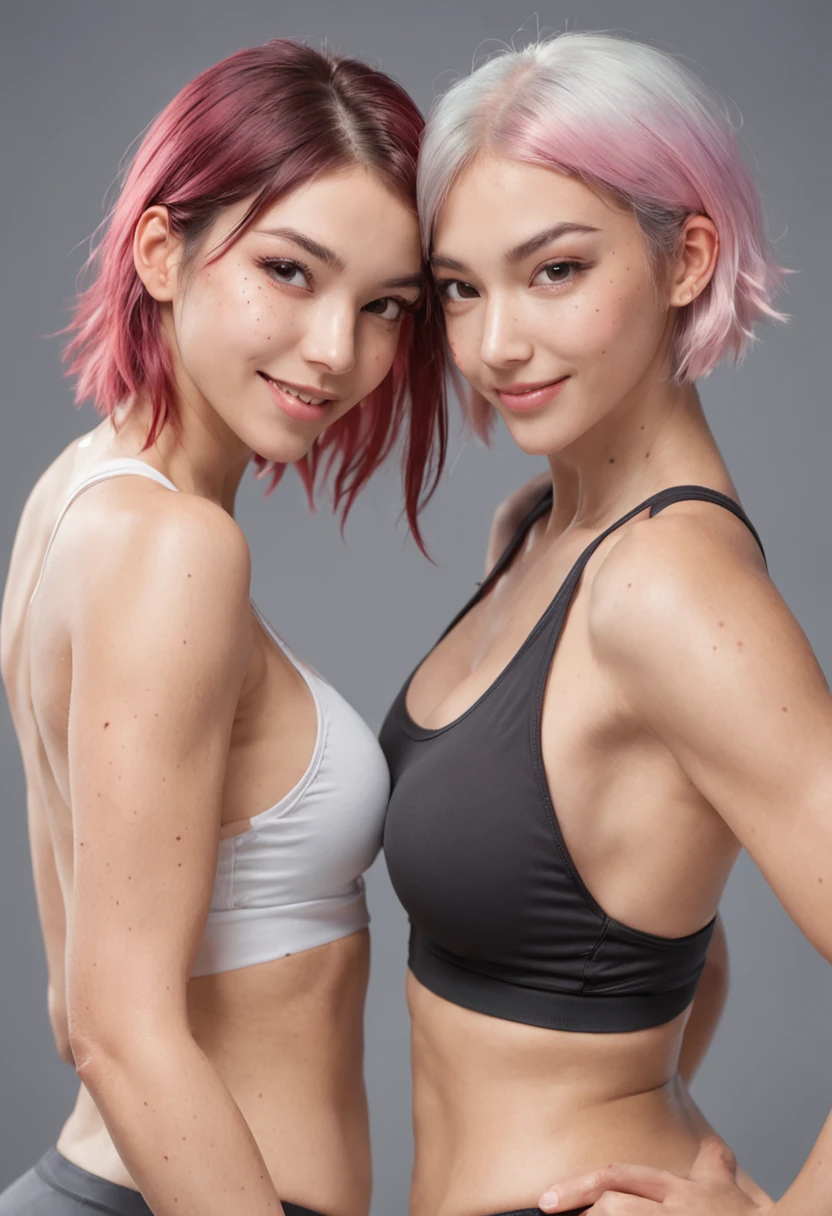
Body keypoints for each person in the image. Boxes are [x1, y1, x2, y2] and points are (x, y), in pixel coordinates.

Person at [380, 32, 830, 1216]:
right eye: (460, 289)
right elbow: (665, 917)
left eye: (556, 271)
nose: (493, 345)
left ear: (687, 258)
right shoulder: (538, 529)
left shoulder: (668, 587)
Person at [0, 38, 447, 1216]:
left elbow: (74, 997)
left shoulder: (74, 496)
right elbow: (114, 1030)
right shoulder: (178, 548)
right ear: (161, 249)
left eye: (384, 305)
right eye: (291, 272)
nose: (336, 350)